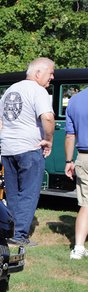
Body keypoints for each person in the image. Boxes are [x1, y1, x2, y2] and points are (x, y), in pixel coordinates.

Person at [0, 57, 55, 247]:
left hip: (9, 148)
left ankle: (9, 231)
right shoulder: (38, 91)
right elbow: (48, 117)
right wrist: (49, 140)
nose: (52, 77)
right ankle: (19, 236)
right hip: (29, 148)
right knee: (29, 192)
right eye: (50, 73)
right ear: (38, 73)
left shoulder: (12, 89)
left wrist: (7, 134)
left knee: (12, 192)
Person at [64, 87, 88, 259]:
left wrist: (68, 161)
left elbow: (70, 136)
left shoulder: (75, 100)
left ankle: (78, 247)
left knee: (86, 205)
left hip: (83, 157)